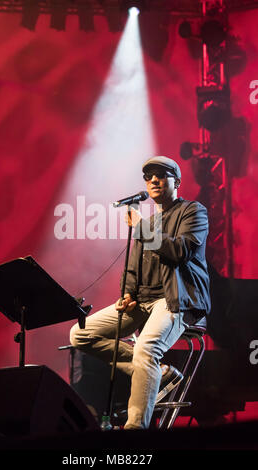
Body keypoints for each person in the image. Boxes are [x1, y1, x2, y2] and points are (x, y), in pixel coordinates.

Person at [70, 155, 210, 430]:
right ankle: (157, 374)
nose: (154, 180)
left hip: (175, 301)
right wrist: (127, 294)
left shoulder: (193, 212)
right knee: (80, 334)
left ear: (177, 181)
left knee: (146, 347)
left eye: (161, 175)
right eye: (149, 176)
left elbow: (180, 251)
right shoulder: (149, 223)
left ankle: (135, 429)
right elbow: (133, 267)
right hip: (142, 302)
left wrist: (142, 228)